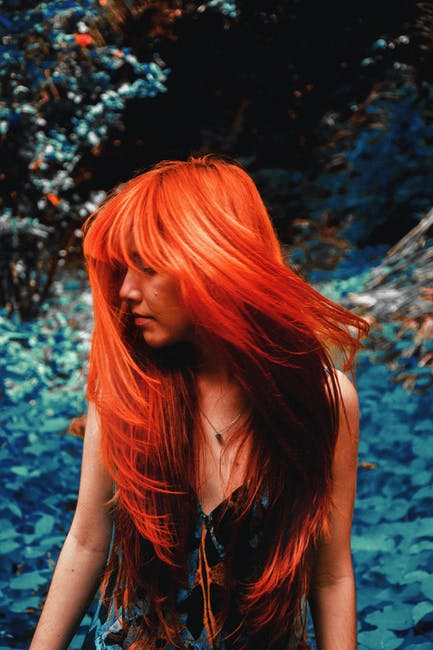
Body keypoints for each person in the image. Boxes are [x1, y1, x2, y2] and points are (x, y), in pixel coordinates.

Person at [30, 155, 368, 650]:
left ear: (216, 261)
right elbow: (86, 540)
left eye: (147, 267)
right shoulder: (127, 390)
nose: (125, 291)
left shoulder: (323, 400)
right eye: (123, 268)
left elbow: (331, 574)